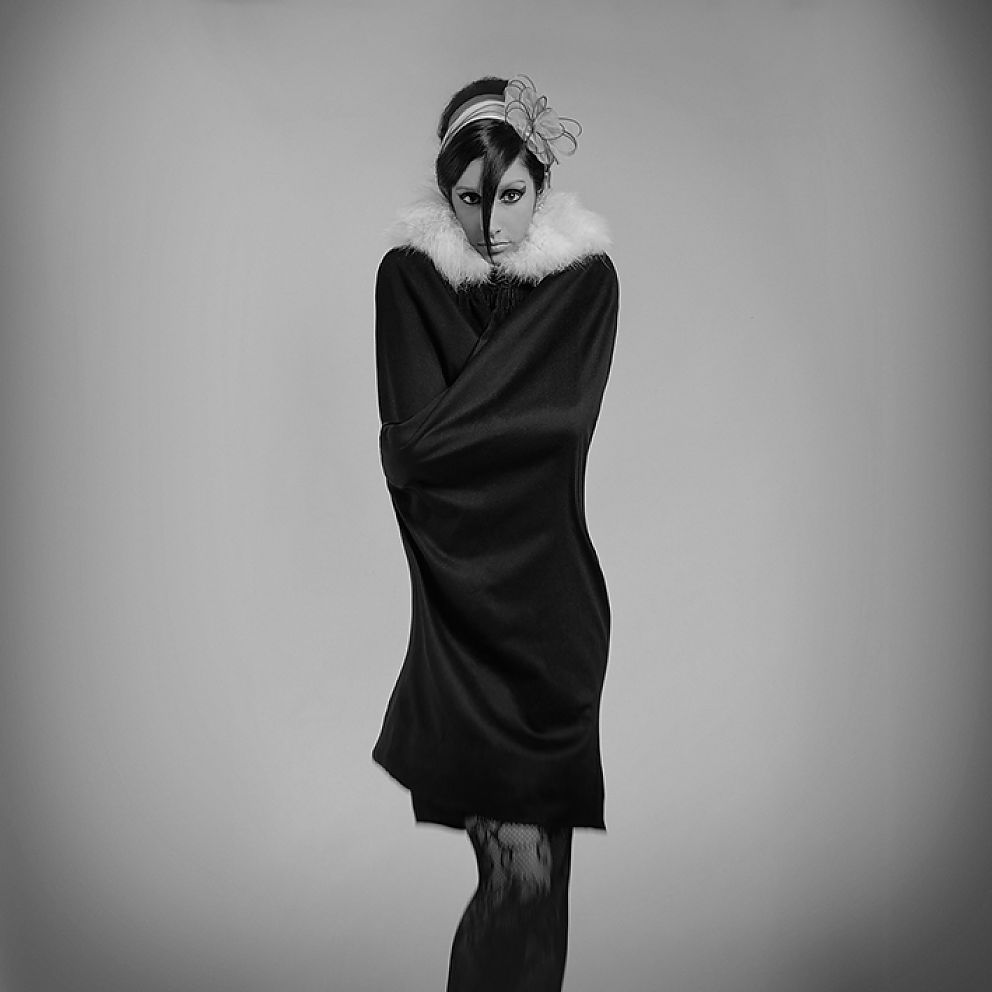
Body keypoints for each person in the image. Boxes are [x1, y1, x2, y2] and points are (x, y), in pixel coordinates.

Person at [372, 74, 619, 991]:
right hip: (459, 625)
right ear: (446, 193)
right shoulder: (409, 278)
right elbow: (410, 453)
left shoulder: (586, 283)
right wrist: (479, 435)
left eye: (510, 196)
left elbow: (557, 426)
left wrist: (455, 440)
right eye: (470, 199)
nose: (489, 225)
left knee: (543, 893)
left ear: (541, 187)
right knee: (515, 882)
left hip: (555, 623)